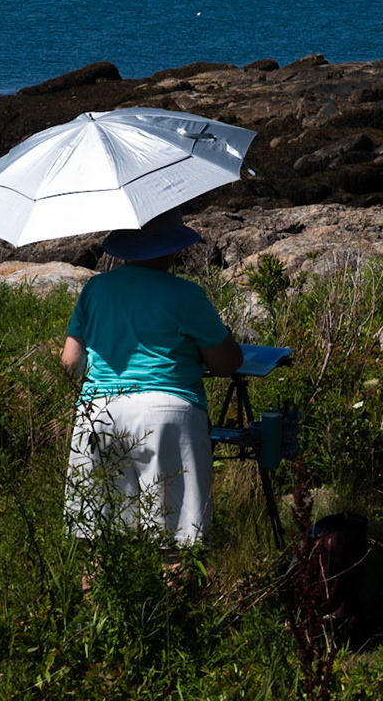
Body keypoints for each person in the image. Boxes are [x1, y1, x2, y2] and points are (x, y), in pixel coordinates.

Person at [62, 211, 243, 547]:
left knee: (97, 541)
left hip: (98, 413)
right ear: (172, 248)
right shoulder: (186, 295)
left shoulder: (95, 288)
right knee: (176, 541)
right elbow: (227, 364)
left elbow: (70, 362)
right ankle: (174, 598)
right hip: (168, 414)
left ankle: (96, 600)